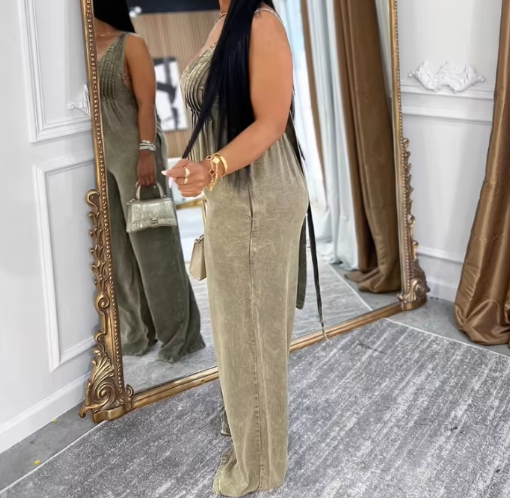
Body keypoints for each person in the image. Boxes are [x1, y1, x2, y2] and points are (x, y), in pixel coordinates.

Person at [167, 1, 323, 495]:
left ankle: (257, 468)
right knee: (239, 328)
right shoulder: (223, 21)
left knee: (252, 332)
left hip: (259, 194)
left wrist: (211, 167)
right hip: (234, 192)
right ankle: (246, 424)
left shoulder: (260, 21)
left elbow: (272, 122)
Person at [93, 0, 205, 362]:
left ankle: (179, 335)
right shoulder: (80, 52)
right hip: (101, 159)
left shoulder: (130, 44)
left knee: (153, 244)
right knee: (117, 250)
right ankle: (138, 332)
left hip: (135, 153)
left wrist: (145, 152)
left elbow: (146, 103)